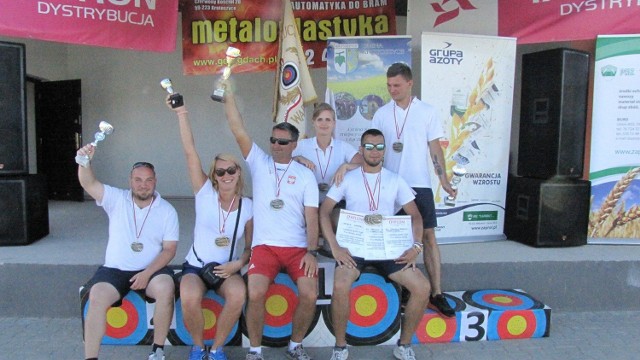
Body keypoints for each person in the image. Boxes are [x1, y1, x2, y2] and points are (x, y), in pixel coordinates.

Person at [222, 87, 320, 360]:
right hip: (264, 247)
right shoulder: (258, 161)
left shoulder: (305, 175)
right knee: (255, 293)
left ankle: (295, 344)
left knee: (310, 294)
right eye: (273, 140)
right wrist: (229, 92)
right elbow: (237, 128)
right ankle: (255, 350)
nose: (276, 145)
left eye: (283, 142)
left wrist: (312, 252)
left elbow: (311, 216)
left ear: (294, 144)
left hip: (298, 248)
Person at [319, 129, 430, 360]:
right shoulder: (347, 178)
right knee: (340, 284)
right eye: (369, 146)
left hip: (388, 249)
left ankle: (404, 345)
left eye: (379, 147)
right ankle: (340, 347)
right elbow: (324, 211)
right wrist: (335, 247)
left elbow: (416, 216)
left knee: (422, 288)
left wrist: (416, 246)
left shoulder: (395, 179)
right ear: (361, 150)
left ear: (384, 151)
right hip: (356, 248)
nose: (374, 151)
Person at [167, 96, 253, 360]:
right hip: (196, 265)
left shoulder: (248, 206)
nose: (225, 175)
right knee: (189, 297)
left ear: (239, 172)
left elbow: (250, 248)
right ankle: (197, 347)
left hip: (226, 268)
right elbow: (190, 150)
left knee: (238, 295)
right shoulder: (204, 193)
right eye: (220, 172)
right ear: (213, 176)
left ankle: (216, 349)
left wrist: (238, 265)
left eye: (230, 170)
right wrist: (182, 112)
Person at [76, 147, 179, 360]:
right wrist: (84, 161)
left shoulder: (167, 210)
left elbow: (170, 250)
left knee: (166, 288)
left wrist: (146, 273)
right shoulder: (116, 198)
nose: (143, 185)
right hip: (114, 270)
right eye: (138, 179)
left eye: (148, 180)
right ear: (130, 181)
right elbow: (88, 183)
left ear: (155, 181)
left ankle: (157, 351)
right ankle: (90, 358)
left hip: (150, 271)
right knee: (96, 297)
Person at [371, 62, 456, 317]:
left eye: (396, 85)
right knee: (394, 239)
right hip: (389, 185)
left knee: (428, 237)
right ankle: (405, 290)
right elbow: (372, 149)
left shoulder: (427, 112)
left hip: (419, 184)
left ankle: (437, 293)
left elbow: (435, 148)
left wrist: (443, 180)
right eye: (388, 86)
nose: (392, 90)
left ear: (410, 83)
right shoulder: (381, 114)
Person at [292, 102, 362, 203]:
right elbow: (282, 164)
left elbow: (364, 165)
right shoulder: (302, 145)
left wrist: (346, 166)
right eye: (319, 119)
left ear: (334, 123)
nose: (323, 123)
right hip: (307, 202)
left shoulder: (343, 146)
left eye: (328, 120)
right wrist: (297, 158)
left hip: (335, 202)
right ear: (313, 122)